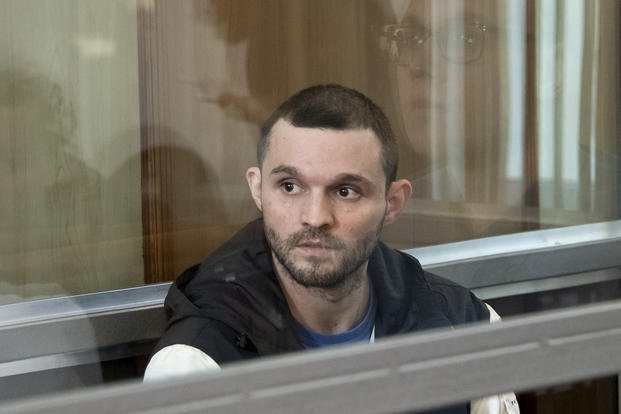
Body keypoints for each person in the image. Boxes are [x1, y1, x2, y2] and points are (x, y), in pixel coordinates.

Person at [144, 84, 519, 413]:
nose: (315, 217)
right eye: (290, 186)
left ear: (393, 203)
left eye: (345, 191)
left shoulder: (464, 326)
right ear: (257, 190)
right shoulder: (196, 363)